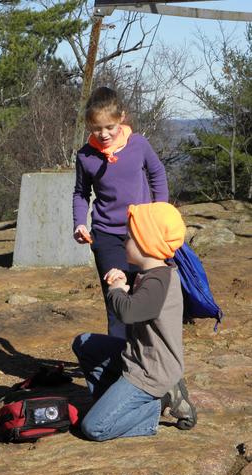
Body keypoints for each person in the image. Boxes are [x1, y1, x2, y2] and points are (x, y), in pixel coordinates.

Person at [72, 202, 197, 442]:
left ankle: (161, 402)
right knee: (84, 343)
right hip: (138, 357)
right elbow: (140, 301)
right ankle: (112, 403)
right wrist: (121, 279)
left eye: (129, 236)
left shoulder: (158, 281)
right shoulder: (152, 273)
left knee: (94, 428)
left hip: (151, 371)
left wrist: (117, 290)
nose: (124, 241)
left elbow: (128, 313)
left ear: (145, 244)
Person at [73, 87, 169, 339]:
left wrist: (160, 211)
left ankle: (149, 357)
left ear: (121, 118)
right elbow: (81, 193)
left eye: (109, 127)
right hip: (106, 235)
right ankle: (117, 362)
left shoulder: (139, 144)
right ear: (88, 125)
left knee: (146, 293)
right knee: (116, 294)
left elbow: (157, 173)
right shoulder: (85, 156)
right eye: (96, 128)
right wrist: (79, 223)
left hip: (143, 234)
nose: (103, 134)